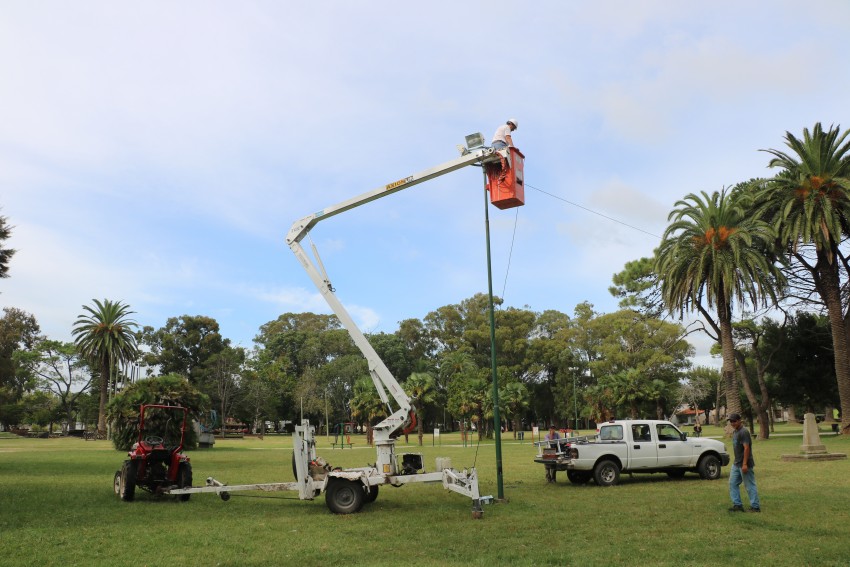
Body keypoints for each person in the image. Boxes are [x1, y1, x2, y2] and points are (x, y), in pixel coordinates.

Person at [728, 413, 760, 512]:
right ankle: (737, 505)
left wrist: (745, 464)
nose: (732, 423)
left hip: (744, 463)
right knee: (732, 483)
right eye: (731, 421)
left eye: (734, 421)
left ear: (739, 421)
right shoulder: (735, 432)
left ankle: (755, 507)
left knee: (749, 485)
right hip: (736, 463)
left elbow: (746, 448)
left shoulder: (744, 432)